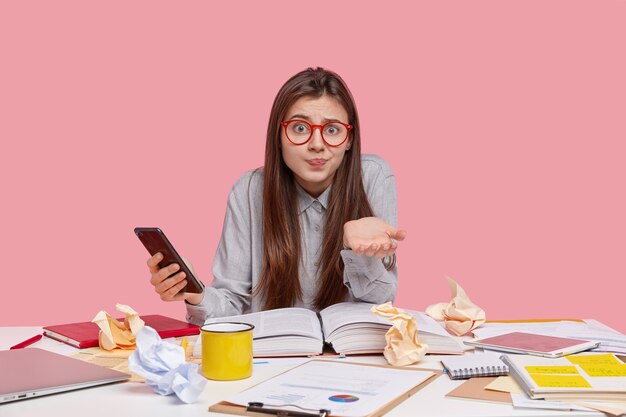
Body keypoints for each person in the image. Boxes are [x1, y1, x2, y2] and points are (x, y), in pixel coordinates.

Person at [147, 67, 406, 326]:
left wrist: (357, 251)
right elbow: (232, 304)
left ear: (349, 139)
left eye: (333, 130)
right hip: (273, 357)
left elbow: (381, 304)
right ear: (278, 136)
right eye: (301, 128)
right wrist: (196, 292)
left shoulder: (373, 177)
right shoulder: (249, 191)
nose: (317, 143)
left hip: (351, 356)